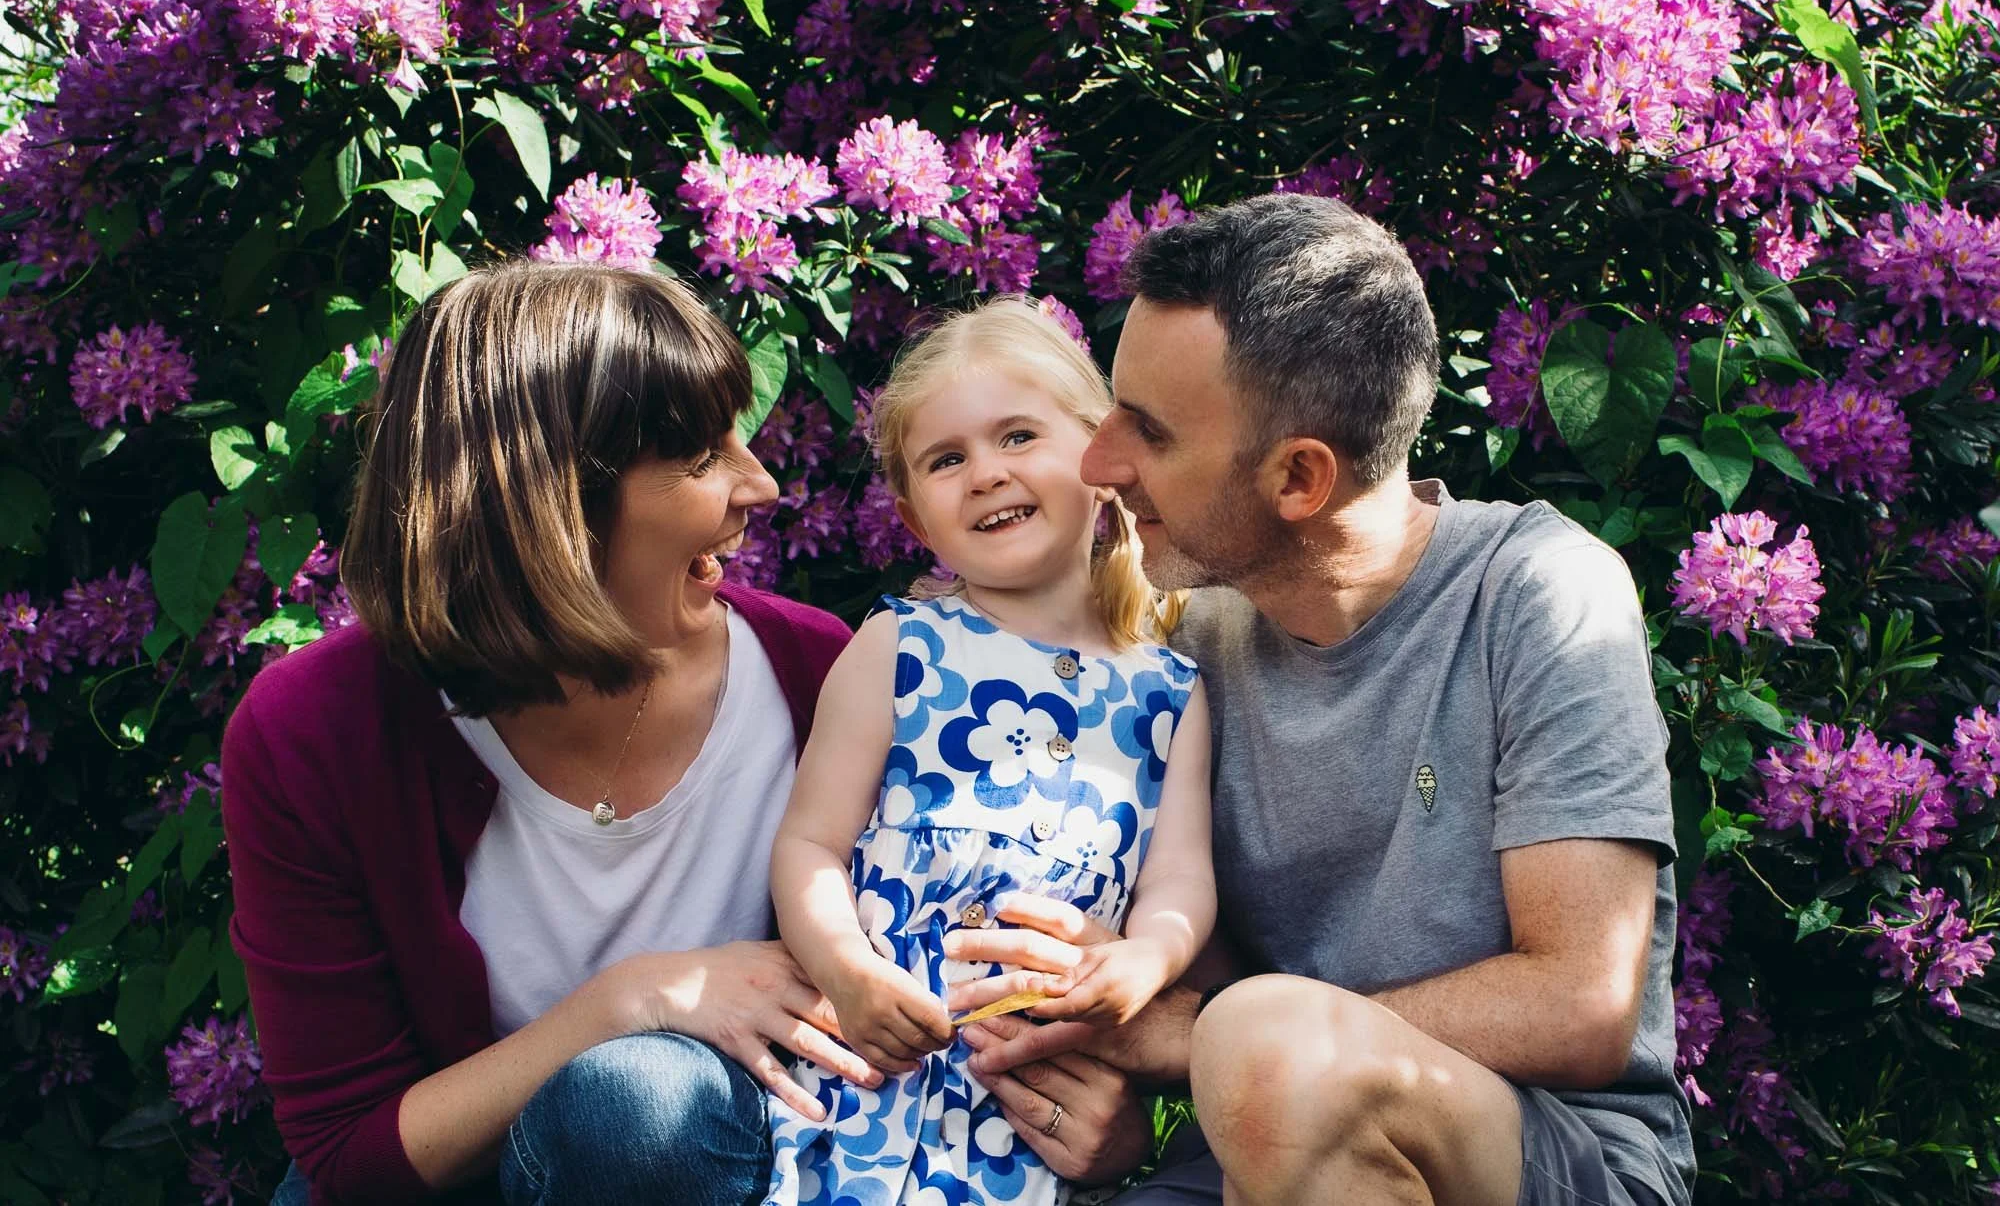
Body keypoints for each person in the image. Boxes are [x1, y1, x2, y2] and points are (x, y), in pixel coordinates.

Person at [221, 263, 1147, 1206]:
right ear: (552, 511)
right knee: (635, 1099)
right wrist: (633, 1000)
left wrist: (1090, 1104)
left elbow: (947, 959)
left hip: (738, 1167)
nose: (762, 483)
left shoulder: (814, 674)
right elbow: (348, 1157)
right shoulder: (314, 734)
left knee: (645, 1117)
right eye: (704, 456)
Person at [957, 194, 1692, 1206]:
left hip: (1551, 1158)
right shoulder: (1187, 638)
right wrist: (1110, 1093)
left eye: (1149, 432)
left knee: (1271, 1050)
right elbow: (1180, 989)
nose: (1098, 463)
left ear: (1297, 477)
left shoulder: (1535, 594)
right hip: (1249, 1150)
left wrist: (1200, 1038)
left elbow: (1579, 1002)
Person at [761, 298, 1215, 1206]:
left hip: (1033, 1098)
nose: (985, 474)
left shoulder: (1169, 690)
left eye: (1017, 436)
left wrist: (1144, 962)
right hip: (868, 1078)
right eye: (947, 459)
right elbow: (808, 843)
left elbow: (1179, 879)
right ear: (915, 515)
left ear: (1097, 457)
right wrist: (847, 971)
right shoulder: (896, 648)